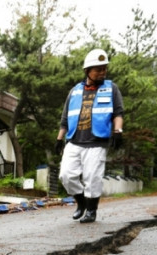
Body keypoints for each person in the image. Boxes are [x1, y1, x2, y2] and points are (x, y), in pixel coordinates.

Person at [54, 48, 124, 223]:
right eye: (98, 69)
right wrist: (59, 139)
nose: (102, 72)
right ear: (87, 71)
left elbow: (118, 112)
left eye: (104, 68)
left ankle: (91, 211)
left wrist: (117, 131)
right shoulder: (75, 91)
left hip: (96, 141)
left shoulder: (111, 88)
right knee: (66, 175)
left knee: (92, 177)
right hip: (74, 140)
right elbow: (65, 119)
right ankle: (82, 203)